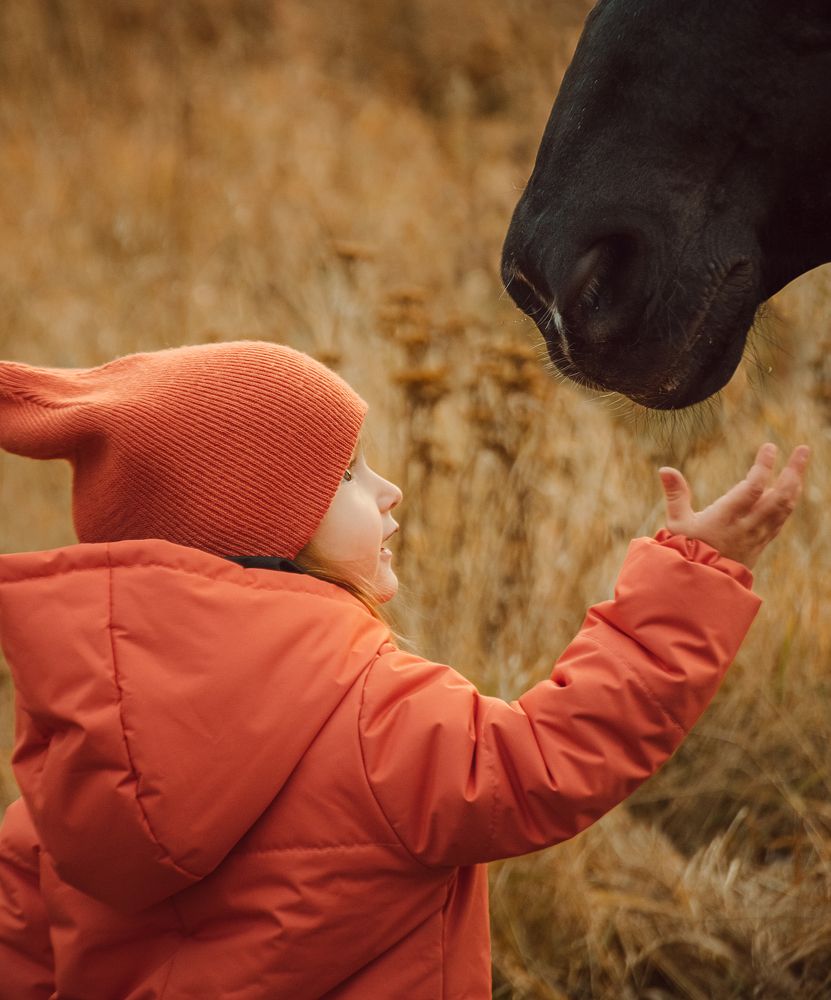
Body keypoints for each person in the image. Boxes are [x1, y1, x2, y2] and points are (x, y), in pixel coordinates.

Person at [0, 340, 809, 1000]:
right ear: (260, 527)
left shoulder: (72, 756)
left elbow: (19, 948)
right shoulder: (370, 714)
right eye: (347, 475)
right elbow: (549, 760)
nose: (387, 491)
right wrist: (693, 575)